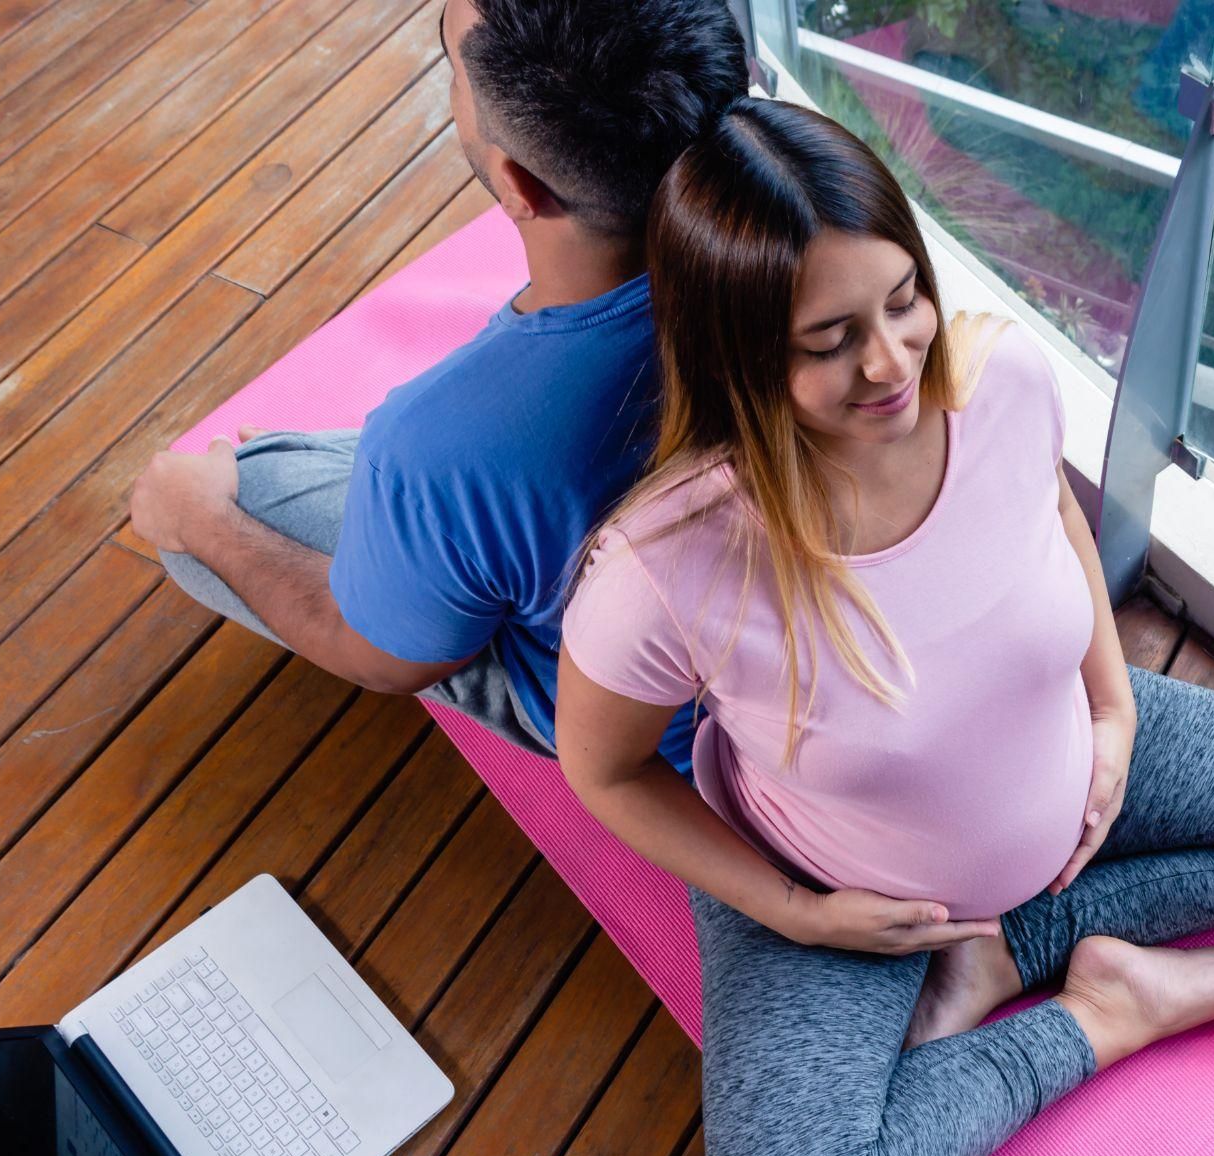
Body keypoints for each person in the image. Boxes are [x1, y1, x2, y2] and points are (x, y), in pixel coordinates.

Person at [556, 99, 1214, 1156]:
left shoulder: (995, 379)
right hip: (845, 898)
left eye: (902, 299)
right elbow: (596, 771)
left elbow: (1053, 512)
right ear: (739, 352)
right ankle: (1098, 1014)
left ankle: (1010, 949)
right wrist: (797, 912)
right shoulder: (662, 567)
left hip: (1066, 757)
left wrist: (1108, 708)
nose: (893, 360)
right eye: (827, 340)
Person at [123, 0, 749, 773]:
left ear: (519, 184)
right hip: (757, 647)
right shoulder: (833, 243)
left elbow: (384, 662)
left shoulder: (442, 439)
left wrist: (203, 522)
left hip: (671, 747)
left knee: (249, 488)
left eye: (452, 67)